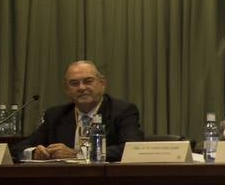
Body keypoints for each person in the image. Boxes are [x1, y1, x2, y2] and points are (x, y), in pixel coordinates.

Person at [12, 60, 145, 161]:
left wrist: (77, 154)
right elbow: (17, 149)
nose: (81, 88)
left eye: (88, 81)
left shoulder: (122, 111)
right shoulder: (56, 115)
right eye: (74, 84)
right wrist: (34, 152)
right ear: (66, 89)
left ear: (102, 84)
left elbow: (132, 149)